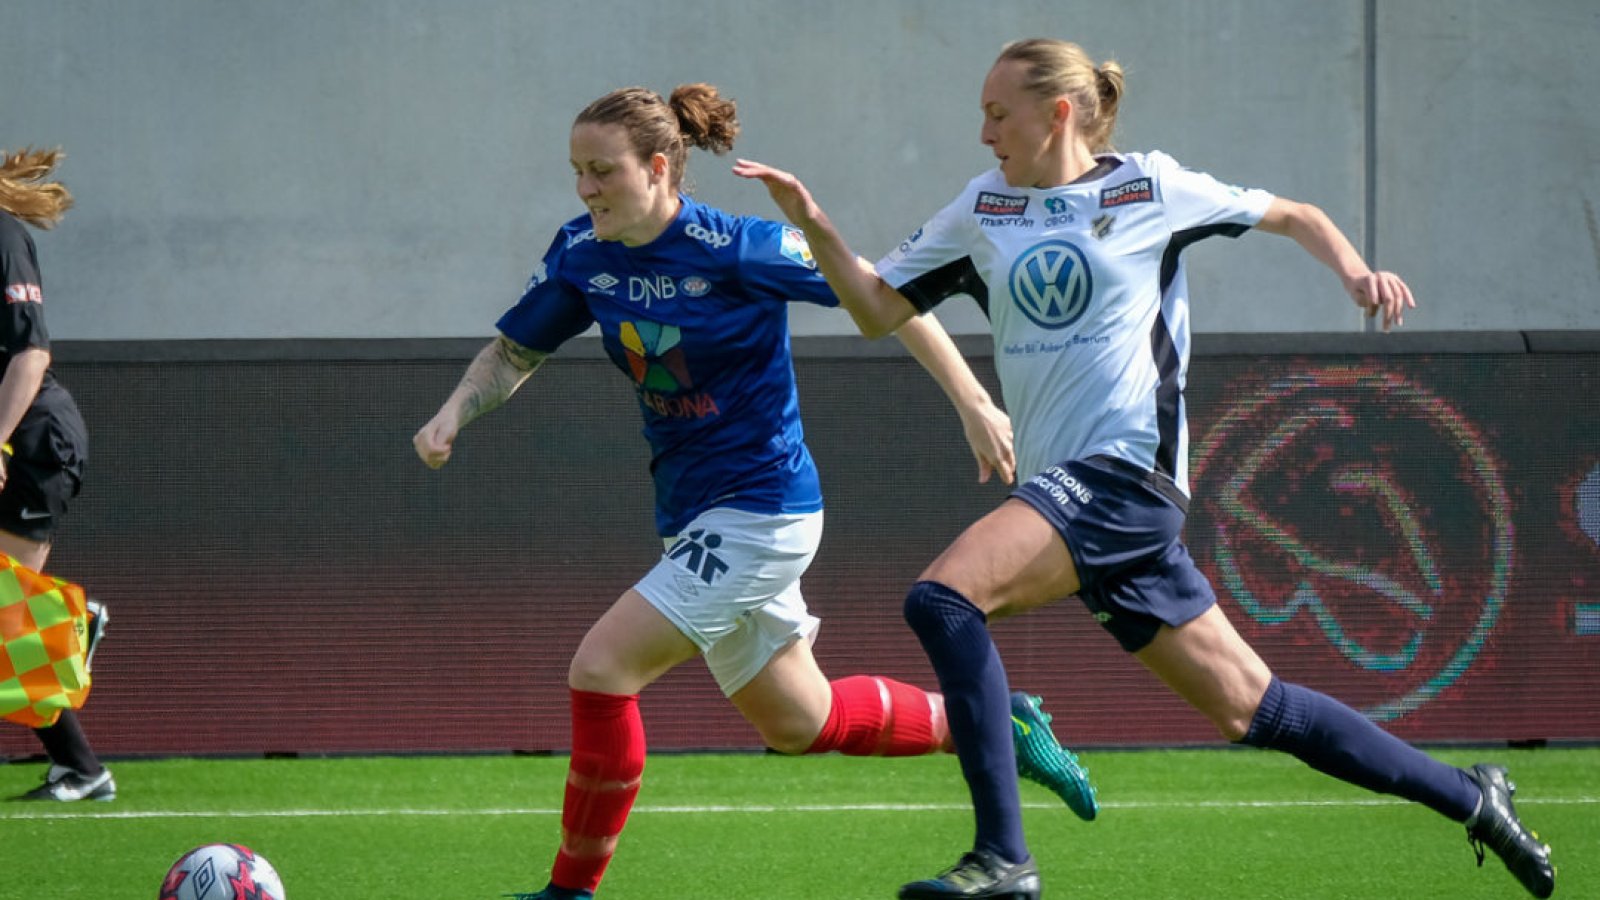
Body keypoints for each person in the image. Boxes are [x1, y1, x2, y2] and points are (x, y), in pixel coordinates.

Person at [736, 37, 1556, 900]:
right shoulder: (984, 208)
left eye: (996, 113)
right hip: (1071, 497)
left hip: (1127, 477)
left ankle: (1003, 858)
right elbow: (874, 308)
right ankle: (1471, 797)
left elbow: (1293, 213)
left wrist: (1355, 270)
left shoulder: (1149, 187)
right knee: (1254, 707)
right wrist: (815, 225)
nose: (983, 133)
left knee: (944, 599)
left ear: (1058, 113)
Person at [413, 84, 1097, 900]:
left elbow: (882, 295)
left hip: (764, 511)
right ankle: (992, 723)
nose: (585, 188)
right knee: (798, 722)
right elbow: (514, 352)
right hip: (693, 518)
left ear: (660, 168)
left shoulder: (738, 247)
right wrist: (455, 409)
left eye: (602, 171)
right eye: (577, 172)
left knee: (601, 668)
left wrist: (975, 401)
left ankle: (569, 893)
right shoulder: (582, 253)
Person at [0, 146, 112, 803]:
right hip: (23, 442)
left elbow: (30, 354)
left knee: (9, 616)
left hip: (38, 439)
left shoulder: (2, 235)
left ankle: (72, 622)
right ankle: (81, 769)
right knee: (8, 623)